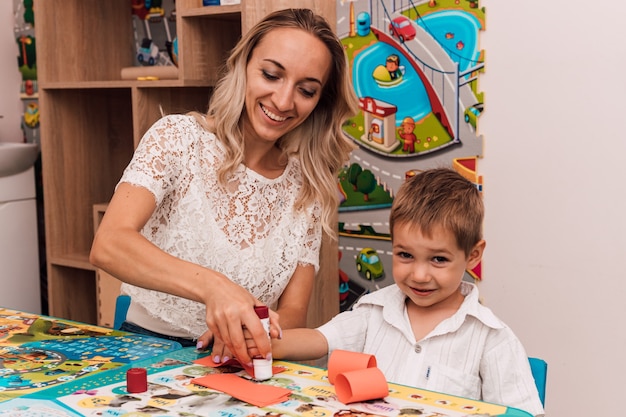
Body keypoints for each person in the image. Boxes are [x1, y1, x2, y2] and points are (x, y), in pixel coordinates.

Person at [89, 8, 358, 366]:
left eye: (306, 90)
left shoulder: (307, 189)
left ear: (319, 101)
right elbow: (109, 245)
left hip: (238, 363)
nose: (283, 101)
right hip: (144, 351)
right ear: (244, 66)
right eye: (271, 75)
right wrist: (216, 288)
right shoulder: (178, 138)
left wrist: (252, 333)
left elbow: (292, 313)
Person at [251, 168, 544, 417]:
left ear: (473, 256)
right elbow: (319, 339)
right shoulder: (373, 311)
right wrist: (259, 343)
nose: (418, 275)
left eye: (438, 259)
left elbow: (522, 412)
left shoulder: (491, 338)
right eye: (405, 255)